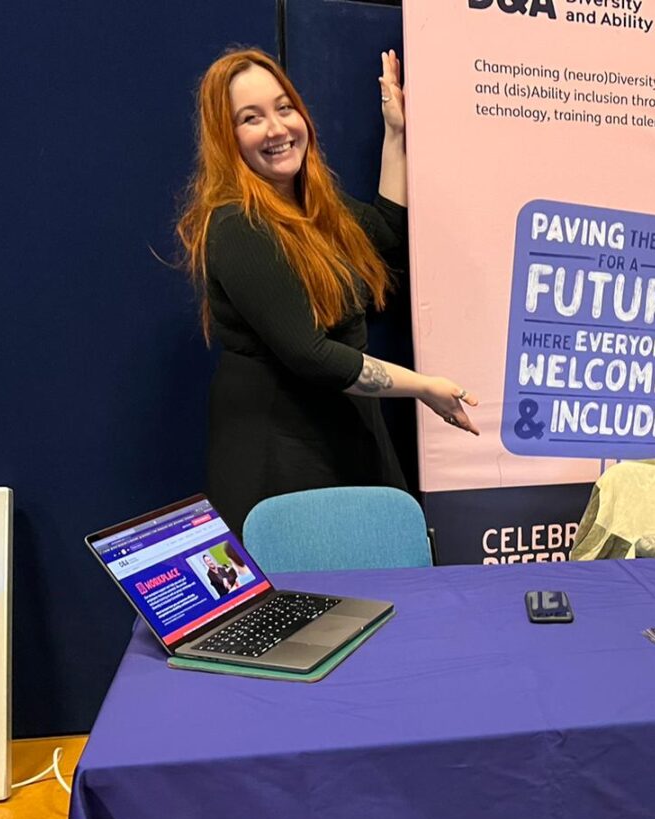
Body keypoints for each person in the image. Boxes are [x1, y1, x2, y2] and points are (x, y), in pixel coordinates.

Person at [176, 48, 478, 529]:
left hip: (345, 436)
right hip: (281, 458)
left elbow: (386, 235)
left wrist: (396, 131)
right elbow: (312, 355)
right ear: (225, 137)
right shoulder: (238, 225)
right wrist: (423, 387)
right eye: (251, 119)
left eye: (283, 108)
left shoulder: (317, 207)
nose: (276, 129)